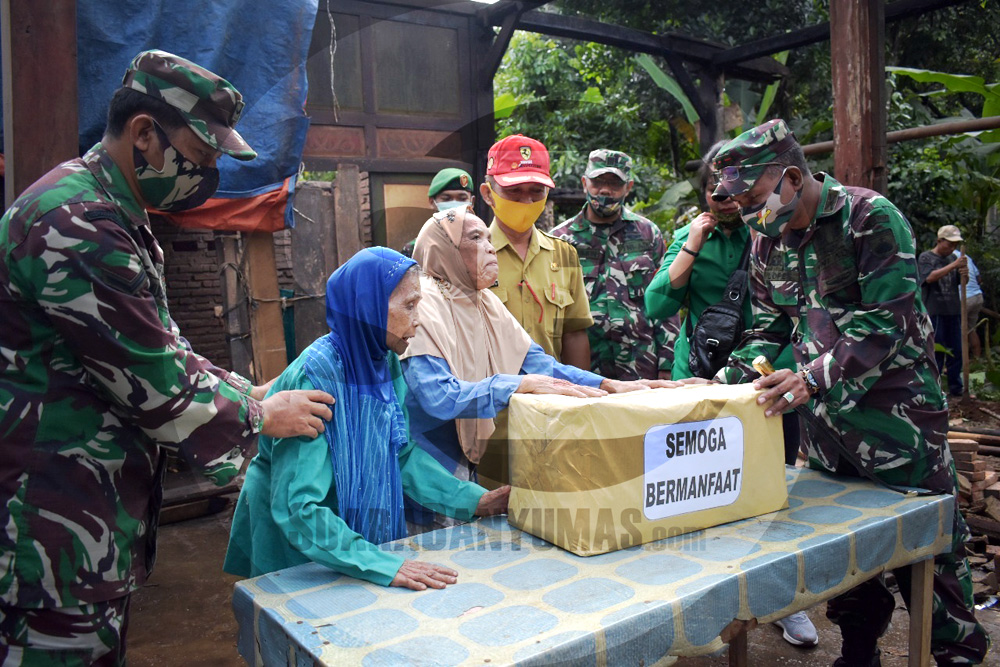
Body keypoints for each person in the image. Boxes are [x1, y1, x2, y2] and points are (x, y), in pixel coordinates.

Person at [0, 50, 334, 664]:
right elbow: (157, 389)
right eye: (201, 157)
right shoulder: (76, 223)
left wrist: (249, 390)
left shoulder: (119, 214)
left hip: (85, 522)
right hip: (49, 532)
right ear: (145, 133)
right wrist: (264, 416)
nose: (206, 175)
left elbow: (167, 346)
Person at [709, 119, 989, 666]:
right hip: (829, 433)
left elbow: (886, 321)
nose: (748, 214)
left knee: (931, 546)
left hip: (898, 421)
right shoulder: (768, 241)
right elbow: (768, 330)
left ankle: (957, 654)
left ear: (791, 176)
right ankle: (859, 650)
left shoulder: (871, 218)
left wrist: (809, 379)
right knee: (846, 552)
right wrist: (717, 384)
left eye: (754, 198)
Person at [224, 247, 509, 588]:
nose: (419, 319)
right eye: (409, 305)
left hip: (342, 534)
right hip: (299, 538)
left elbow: (400, 453)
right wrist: (381, 563)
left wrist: (474, 499)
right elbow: (299, 507)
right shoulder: (318, 378)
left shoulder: (382, 360)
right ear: (368, 309)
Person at [401, 207, 672, 531]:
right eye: (475, 238)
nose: (489, 247)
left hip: (462, 463)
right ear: (442, 249)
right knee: (426, 555)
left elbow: (539, 365)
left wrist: (608, 385)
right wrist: (515, 385)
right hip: (419, 470)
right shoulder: (421, 302)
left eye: (489, 237)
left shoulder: (481, 301)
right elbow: (437, 397)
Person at [646, 141, 817, 647]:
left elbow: (788, 317)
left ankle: (782, 602)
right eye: (717, 189)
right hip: (699, 380)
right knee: (698, 492)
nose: (726, 197)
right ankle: (696, 596)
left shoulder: (770, 230)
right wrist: (693, 242)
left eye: (736, 189)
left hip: (765, 378)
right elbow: (658, 304)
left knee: (770, 492)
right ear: (706, 194)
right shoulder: (688, 235)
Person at [550, 149, 675, 381]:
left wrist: (667, 363)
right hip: (581, 370)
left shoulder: (648, 234)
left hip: (641, 365)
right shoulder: (559, 240)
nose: (605, 190)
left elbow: (665, 301)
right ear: (584, 183)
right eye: (598, 182)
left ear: (628, 187)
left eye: (614, 184)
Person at [482, 134, 594, 370]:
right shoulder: (468, 255)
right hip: (492, 397)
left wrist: (583, 396)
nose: (527, 200)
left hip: (553, 397)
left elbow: (573, 333)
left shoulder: (563, 254)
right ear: (487, 193)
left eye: (537, 190)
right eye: (514, 190)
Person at [918, 225, 969, 397]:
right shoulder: (926, 257)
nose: (953, 248)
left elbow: (961, 282)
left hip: (953, 310)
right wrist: (955, 264)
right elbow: (929, 278)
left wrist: (964, 273)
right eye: (950, 244)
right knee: (936, 351)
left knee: (956, 350)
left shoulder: (953, 258)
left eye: (955, 245)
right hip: (935, 311)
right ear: (939, 241)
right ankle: (935, 389)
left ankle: (956, 387)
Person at [958, 250, 984, 359]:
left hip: (965, 297)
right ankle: (977, 358)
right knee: (970, 328)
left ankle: (959, 360)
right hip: (977, 296)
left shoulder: (949, 257)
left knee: (957, 330)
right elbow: (979, 278)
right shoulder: (966, 257)